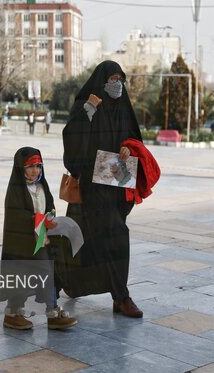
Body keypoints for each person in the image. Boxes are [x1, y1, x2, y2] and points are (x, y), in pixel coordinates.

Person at [61, 60, 144, 318]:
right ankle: (118, 296)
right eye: (112, 79)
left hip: (115, 183)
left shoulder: (123, 108)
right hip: (90, 184)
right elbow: (71, 136)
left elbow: (135, 139)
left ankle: (119, 296)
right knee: (84, 238)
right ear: (101, 80)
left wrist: (129, 147)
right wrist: (88, 110)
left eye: (120, 79)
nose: (117, 84)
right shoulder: (87, 103)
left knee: (114, 235)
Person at [0, 147, 78, 330]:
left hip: (41, 241)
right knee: (20, 277)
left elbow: (50, 208)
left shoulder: (42, 186)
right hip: (22, 244)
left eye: (39, 166)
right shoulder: (17, 190)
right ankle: (12, 313)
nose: (35, 171)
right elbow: (16, 217)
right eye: (30, 166)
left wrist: (51, 220)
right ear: (21, 168)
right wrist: (36, 221)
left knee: (48, 274)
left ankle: (53, 312)